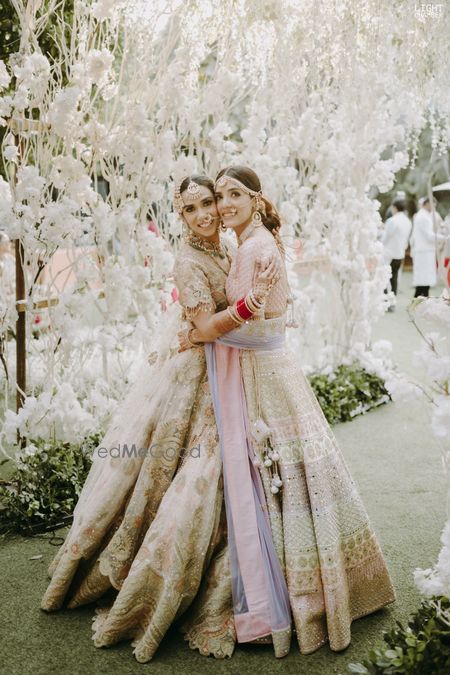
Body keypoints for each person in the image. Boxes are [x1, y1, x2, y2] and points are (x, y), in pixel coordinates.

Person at [40, 175, 279, 662]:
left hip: (230, 370)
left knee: (232, 465)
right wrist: (246, 308)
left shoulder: (231, 248)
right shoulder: (188, 261)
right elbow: (206, 327)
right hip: (196, 378)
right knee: (194, 469)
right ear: (181, 216)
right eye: (190, 210)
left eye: (207, 203)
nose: (203, 215)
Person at [179, 165, 396, 656]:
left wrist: (197, 333)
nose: (223, 205)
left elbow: (264, 321)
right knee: (291, 472)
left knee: (286, 471)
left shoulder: (254, 247)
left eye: (235, 194)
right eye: (219, 197)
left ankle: (307, 598)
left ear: (257, 198)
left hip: (268, 374)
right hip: (264, 370)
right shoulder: (247, 243)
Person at [410, 197, 446, 297]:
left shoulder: (425, 215)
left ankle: (423, 300)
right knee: (423, 280)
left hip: (426, 250)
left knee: (425, 280)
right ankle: (419, 301)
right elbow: (429, 236)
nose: (434, 207)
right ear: (427, 204)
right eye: (433, 205)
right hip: (424, 251)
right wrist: (443, 238)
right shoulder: (423, 217)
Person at [381, 197, 411, 306]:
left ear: (394, 208)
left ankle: (385, 300)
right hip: (400, 253)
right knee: (394, 278)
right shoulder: (407, 221)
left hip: (389, 253)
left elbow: (385, 238)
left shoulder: (392, 221)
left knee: (384, 277)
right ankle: (392, 301)